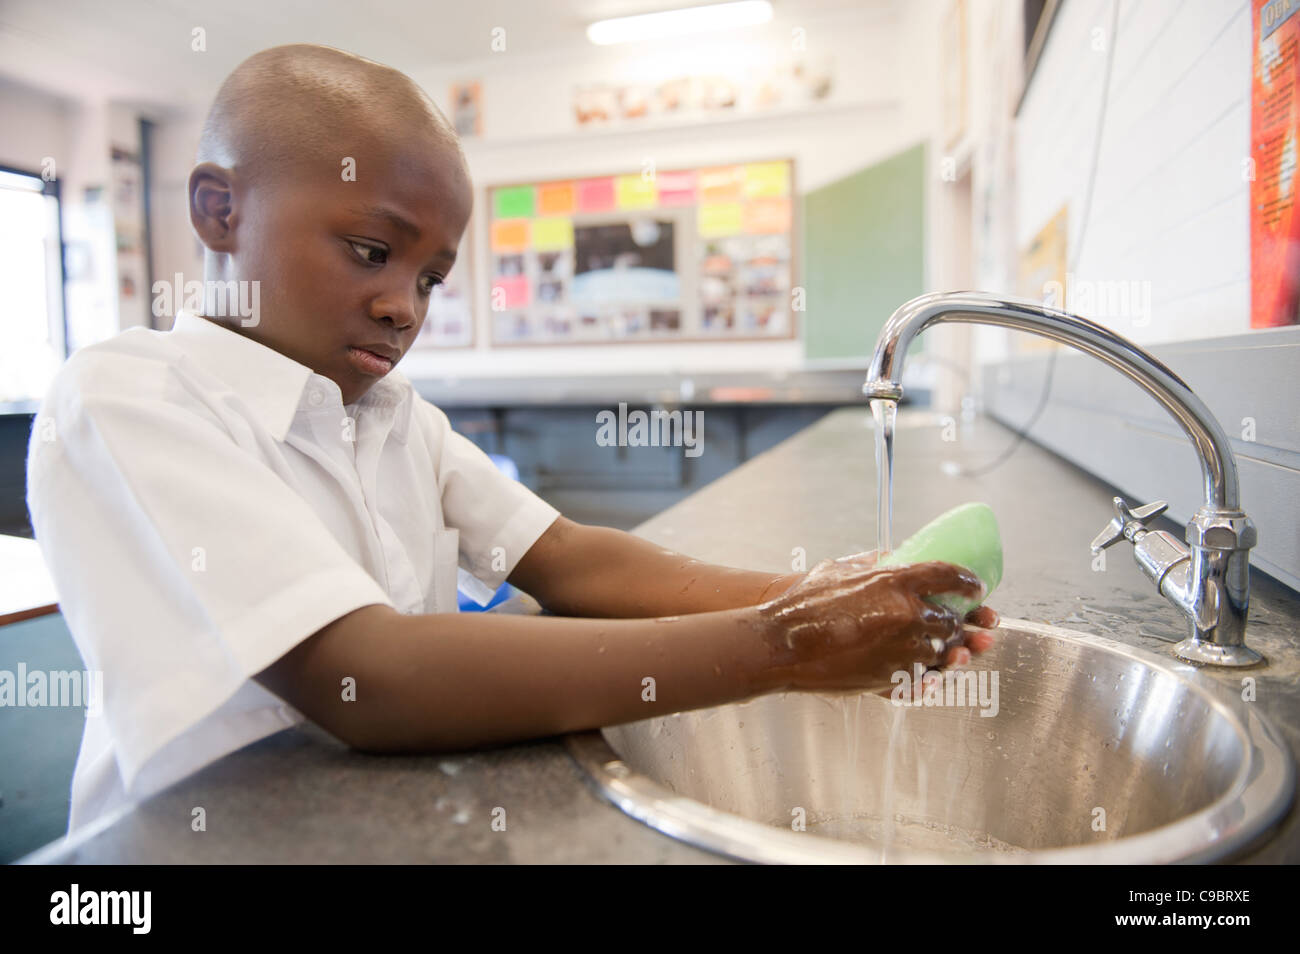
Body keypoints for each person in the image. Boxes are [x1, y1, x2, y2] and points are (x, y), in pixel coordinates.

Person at [26, 44, 997, 836]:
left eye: (432, 278)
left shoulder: (394, 417)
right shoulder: (130, 397)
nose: (402, 305)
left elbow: (569, 559)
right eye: (372, 250)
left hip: (372, 817)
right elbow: (365, 675)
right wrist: (782, 644)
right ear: (218, 210)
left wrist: (818, 589)